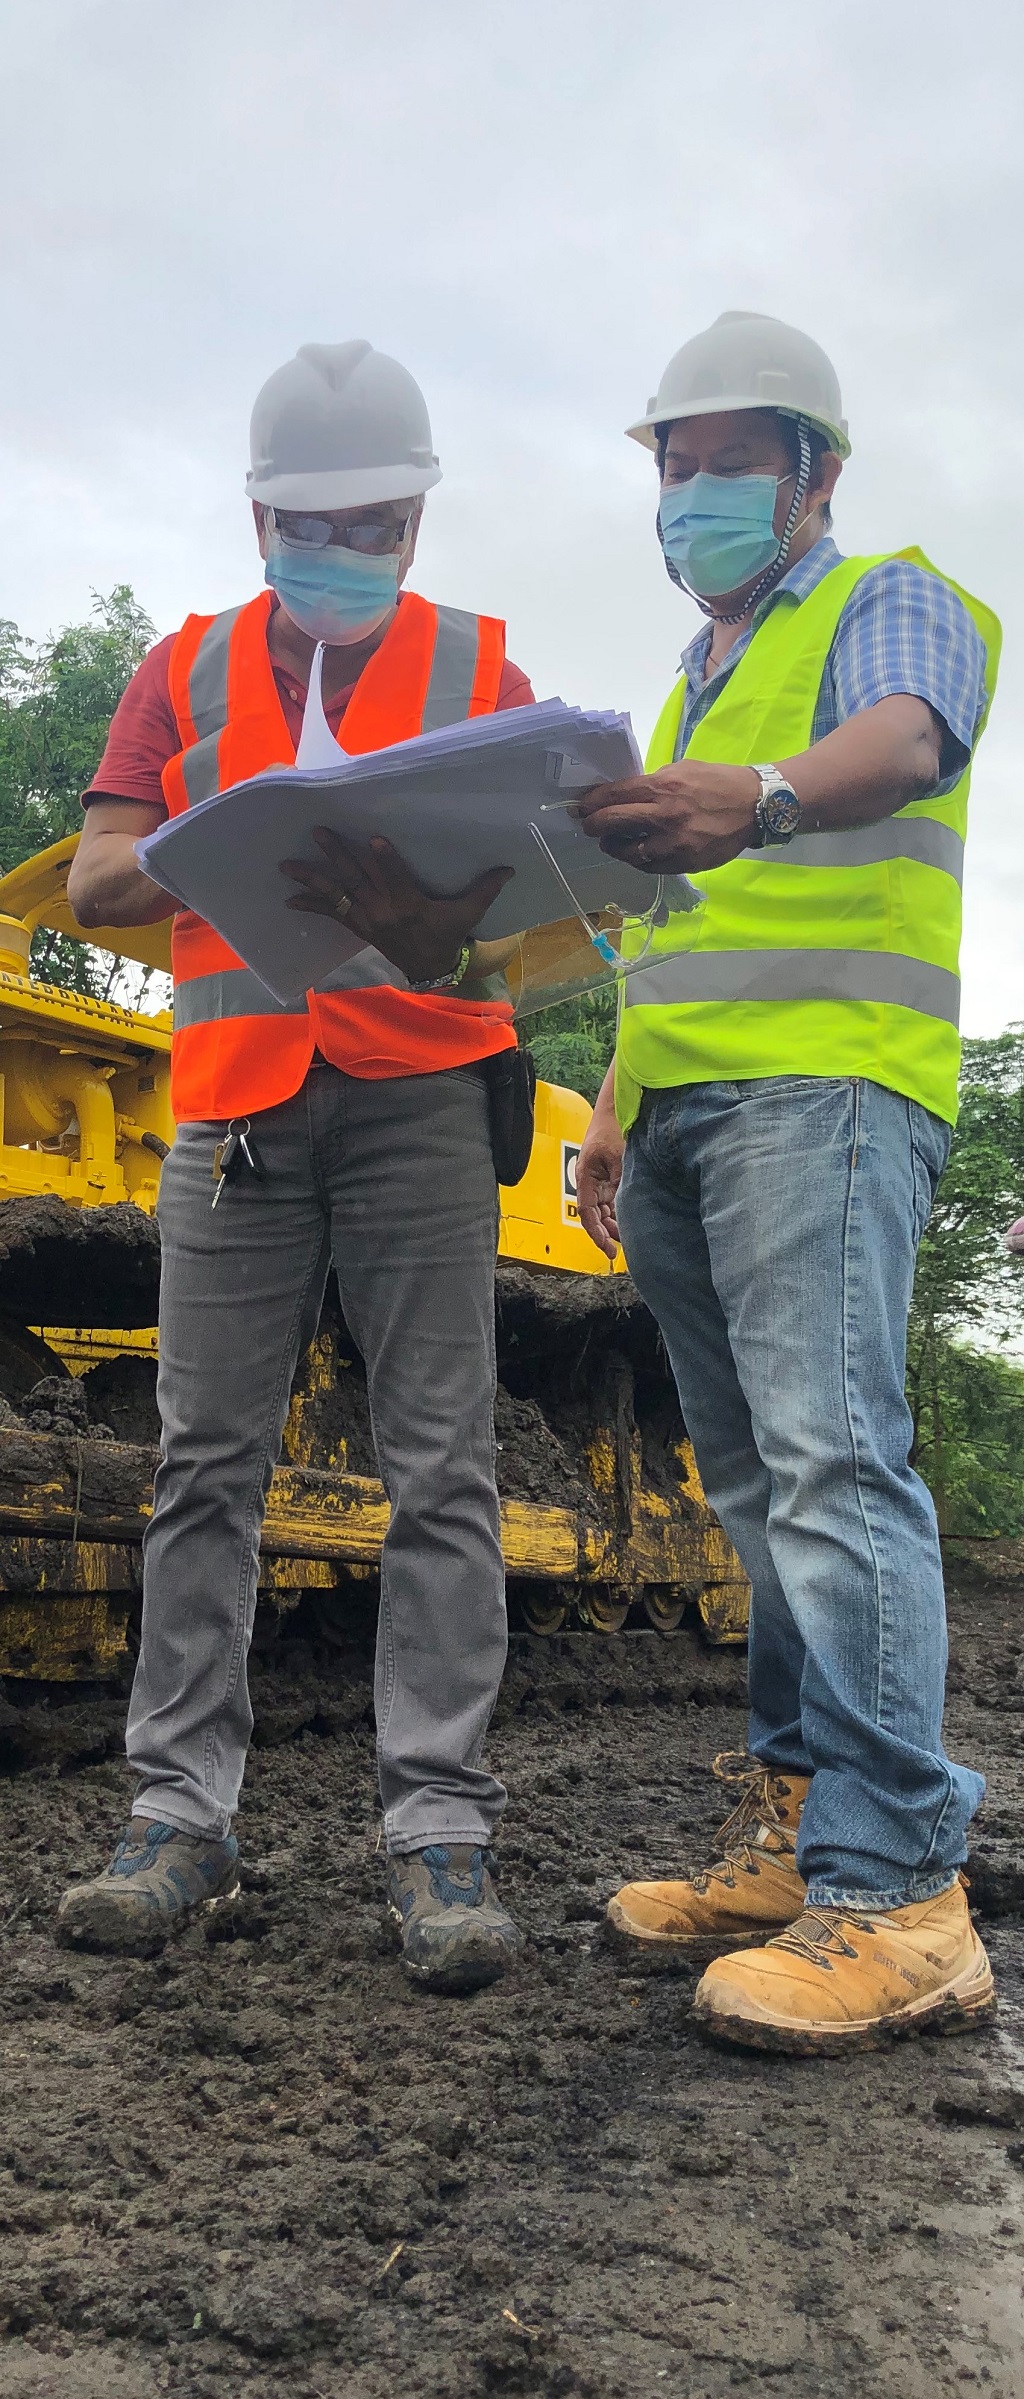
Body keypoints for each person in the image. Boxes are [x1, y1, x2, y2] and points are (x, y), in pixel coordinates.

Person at [56, 340, 533, 1992]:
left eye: (373, 523)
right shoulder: (180, 671)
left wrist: (441, 932)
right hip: (236, 1113)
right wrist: (222, 830)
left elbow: (526, 938)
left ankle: (439, 1830)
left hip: (423, 1100)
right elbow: (98, 875)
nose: (343, 549)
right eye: (311, 524)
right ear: (260, 520)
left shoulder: (485, 672)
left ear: (415, 520)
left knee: (442, 1470)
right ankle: (178, 1817)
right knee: (205, 1465)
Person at [574, 310, 1001, 2055]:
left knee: (832, 1466)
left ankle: (904, 1898)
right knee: (757, 1488)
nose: (693, 494)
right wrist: (616, 1101)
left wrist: (755, 797)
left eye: (728, 462)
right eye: (674, 466)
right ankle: (802, 1830)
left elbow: (904, 742)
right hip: (687, 1109)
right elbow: (677, 928)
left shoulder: (889, 599)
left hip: (825, 1091)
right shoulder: (697, 676)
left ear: (813, 472)